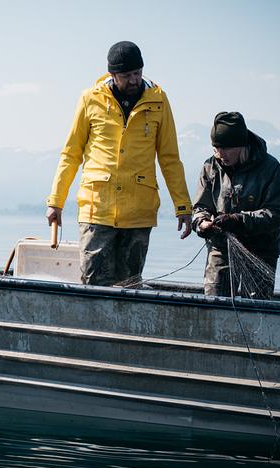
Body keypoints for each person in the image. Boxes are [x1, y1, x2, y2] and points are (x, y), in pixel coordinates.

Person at [46, 41, 193, 287]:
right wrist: (56, 202)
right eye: (126, 75)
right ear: (112, 75)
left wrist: (183, 206)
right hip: (97, 210)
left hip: (139, 213)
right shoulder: (89, 99)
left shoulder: (159, 101)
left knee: (130, 287)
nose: (134, 80)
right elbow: (71, 154)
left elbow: (170, 158)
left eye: (138, 73)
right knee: (93, 284)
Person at [192, 112, 280, 299]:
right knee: (215, 302)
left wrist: (238, 220)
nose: (220, 154)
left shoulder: (270, 168)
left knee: (255, 308)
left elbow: (276, 213)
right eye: (215, 148)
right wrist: (201, 223)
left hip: (260, 250)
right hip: (220, 248)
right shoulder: (210, 167)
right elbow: (199, 207)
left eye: (225, 148)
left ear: (241, 145)